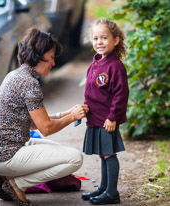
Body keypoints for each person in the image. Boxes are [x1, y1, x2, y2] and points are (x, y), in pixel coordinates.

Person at [0, 28, 89, 206]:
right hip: (5, 155)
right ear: (38, 55)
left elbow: (31, 122)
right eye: (52, 57)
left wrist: (66, 113)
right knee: (75, 158)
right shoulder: (30, 84)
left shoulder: (15, 75)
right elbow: (45, 128)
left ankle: (3, 177)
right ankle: (16, 184)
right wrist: (72, 118)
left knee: (58, 149)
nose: (54, 62)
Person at [81, 18, 129, 205]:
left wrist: (113, 117)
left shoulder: (115, 66)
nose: (99, 42)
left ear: (115, 40)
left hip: (107, 119)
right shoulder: (95, 64)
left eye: (104, 38)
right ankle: (103, 187)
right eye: (95, 38)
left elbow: (121, 94)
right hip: (95, 118)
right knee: (103, 153)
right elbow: (91, 91)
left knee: (109, 154)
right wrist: (85, 109)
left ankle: (112, 193)